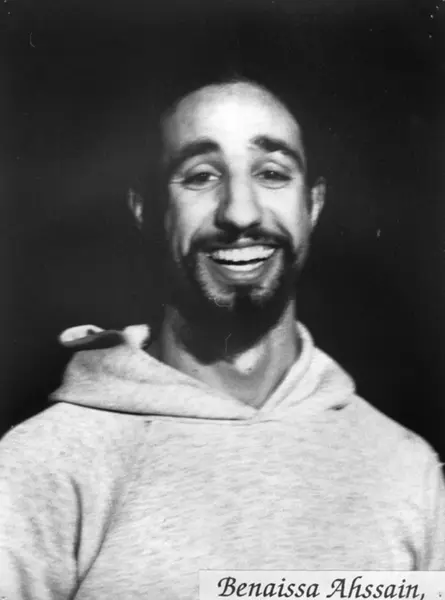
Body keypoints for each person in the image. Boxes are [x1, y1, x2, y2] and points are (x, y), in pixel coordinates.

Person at [1, 77, 444, 600]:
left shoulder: (406, 468)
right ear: (146, 209)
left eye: (272, 173)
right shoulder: (44, 464)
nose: (240, 213)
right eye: (201, 176)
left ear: (313, 204)